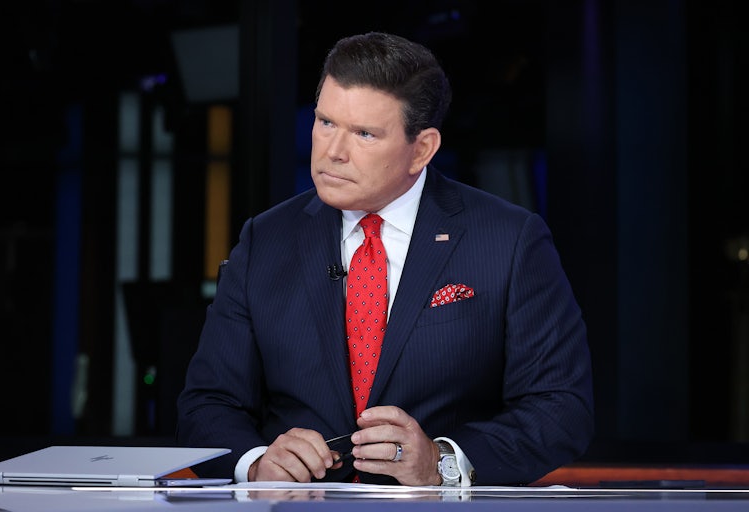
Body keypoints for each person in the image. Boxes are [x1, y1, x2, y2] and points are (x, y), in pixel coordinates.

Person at [176, 31, 593, 487]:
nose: (332, 151)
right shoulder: (266, 239)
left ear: (423, 149)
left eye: (365, 134)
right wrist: (257, 463)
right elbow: (207, 404)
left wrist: (442, 462)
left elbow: (561, 408)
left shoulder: (508, 239)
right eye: (325, 123)